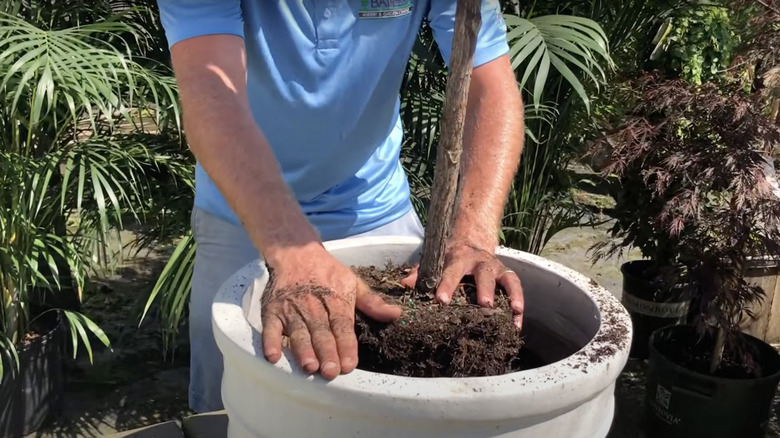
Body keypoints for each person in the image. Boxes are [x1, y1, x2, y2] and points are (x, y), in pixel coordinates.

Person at [156, 0, 526, 413]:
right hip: (242, 215)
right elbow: (211, 96)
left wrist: (473, 234)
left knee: (402, 401)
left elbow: (490, 82)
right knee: (232, 402)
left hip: (375, 206)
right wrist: (292, 248)